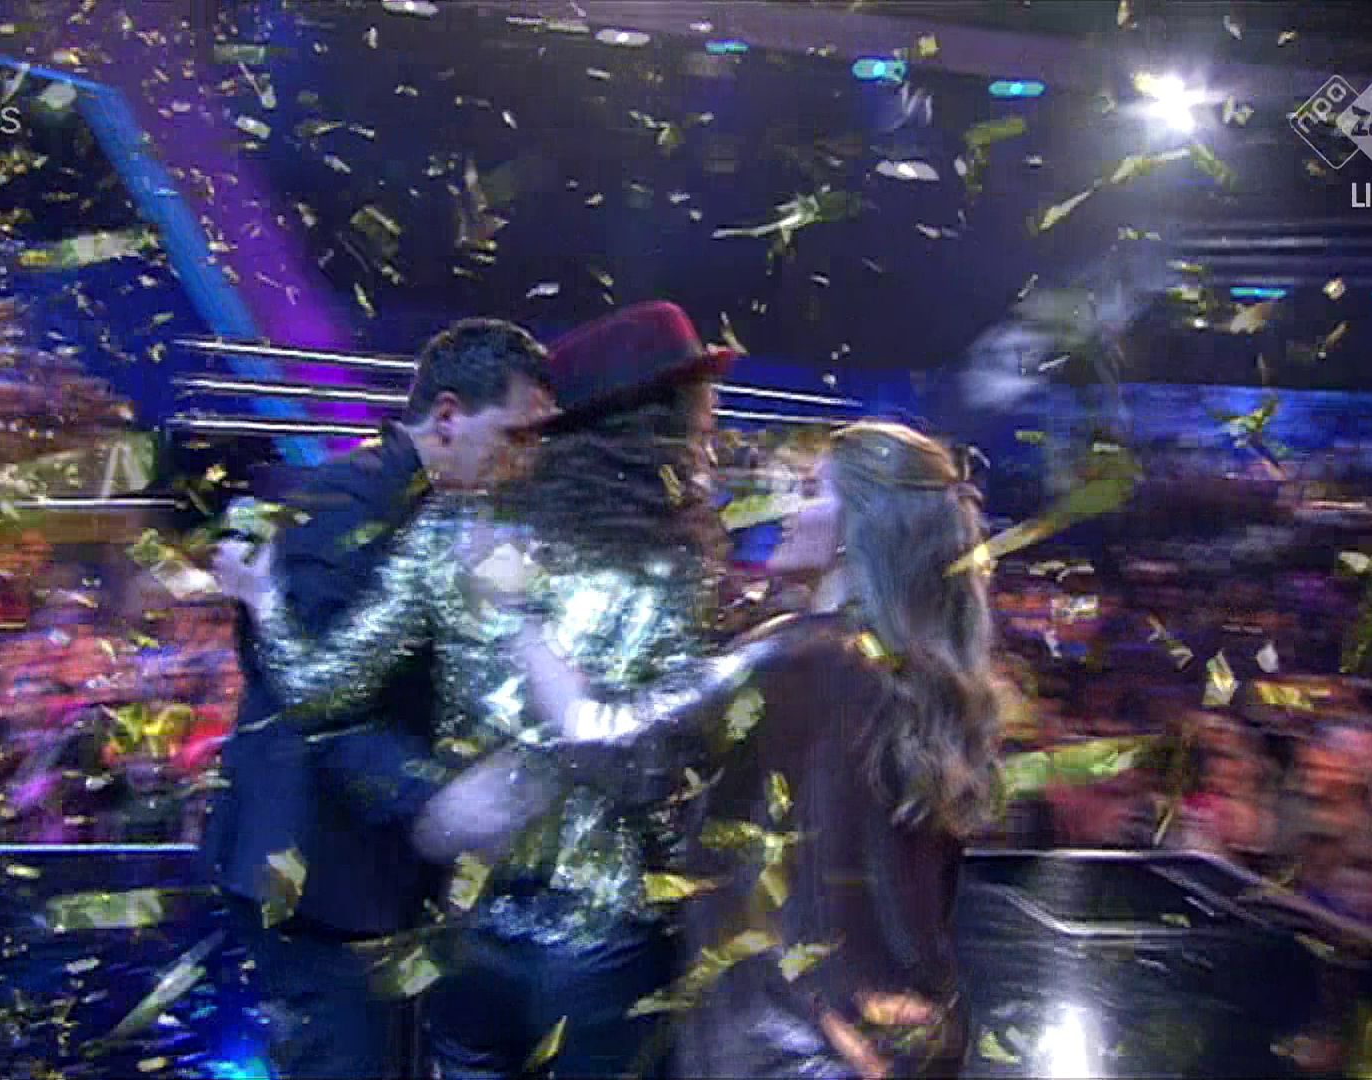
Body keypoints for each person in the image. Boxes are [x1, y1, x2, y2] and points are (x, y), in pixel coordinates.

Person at [221, 300, 734, 1079]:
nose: (523, 453)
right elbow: (651, 770)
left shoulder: (457, 534)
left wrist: (265, 603)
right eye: (702, 429)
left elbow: (321, 686)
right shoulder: (668, 571)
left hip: (468, 934)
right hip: (593, 936)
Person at [474, 422, 1006, 1078]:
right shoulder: (922, 677)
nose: (782, 507)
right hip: (906, 1045)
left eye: (809, 491)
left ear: (856, 528)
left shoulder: (801, 657)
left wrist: (516, 607)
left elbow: (605, 739)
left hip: (787, 1052)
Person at [202, 318, 554, 1079]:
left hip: (364, 878)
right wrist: (440, 801)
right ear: (449, 416)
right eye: (516, 435)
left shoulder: (431, 510)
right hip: (318, 880)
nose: (527, 460)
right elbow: (319, 706)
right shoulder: (347, 504)